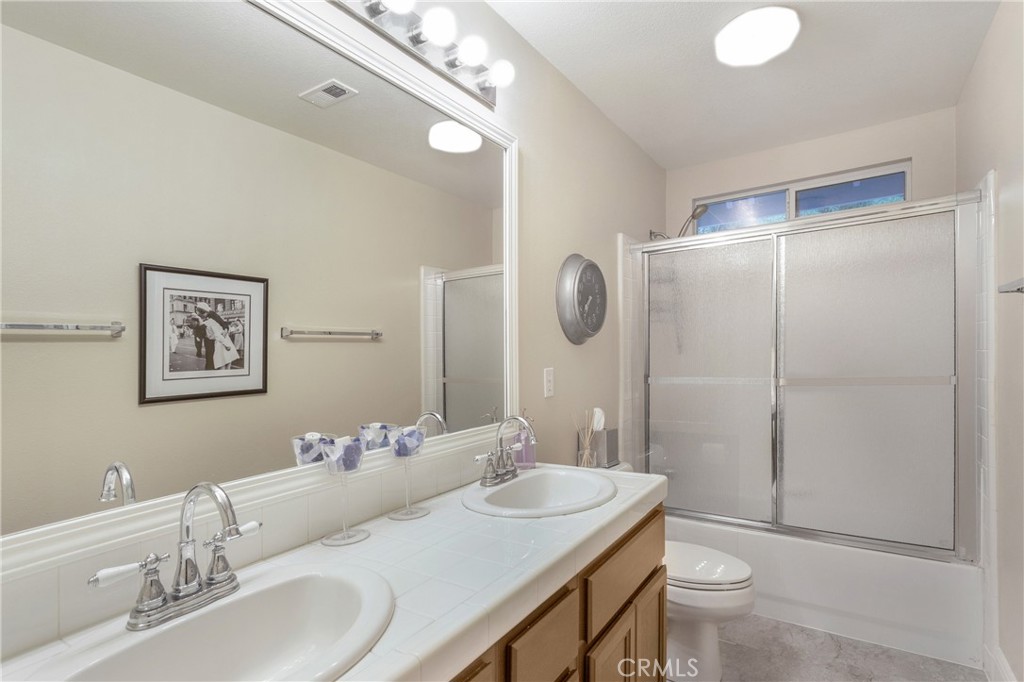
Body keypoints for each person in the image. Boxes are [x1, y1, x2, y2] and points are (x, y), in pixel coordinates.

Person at [196, 302, 238, 370]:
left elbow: (221, 327)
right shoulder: (207, 320)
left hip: (219, 341)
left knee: (222, 361)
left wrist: (225, 329)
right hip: (218, 341)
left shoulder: (211, 319)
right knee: (224, 360)